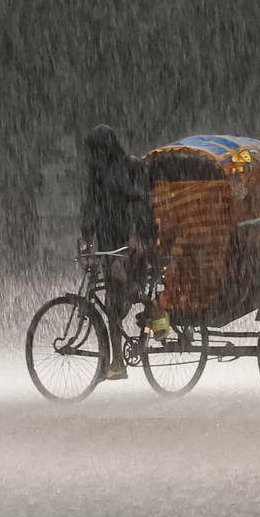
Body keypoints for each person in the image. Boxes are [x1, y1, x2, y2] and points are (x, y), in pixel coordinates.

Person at [80, 125, 165, 380]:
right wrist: (86, 237)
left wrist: (137, 235)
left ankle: (155, 310)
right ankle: (117, 362)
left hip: (132, 241)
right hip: (108, 242)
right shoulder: (97, 174)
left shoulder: (132, 166)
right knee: (111, 305)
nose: (95, 155)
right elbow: (91, 206)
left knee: (122, 294)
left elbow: (141, 203)